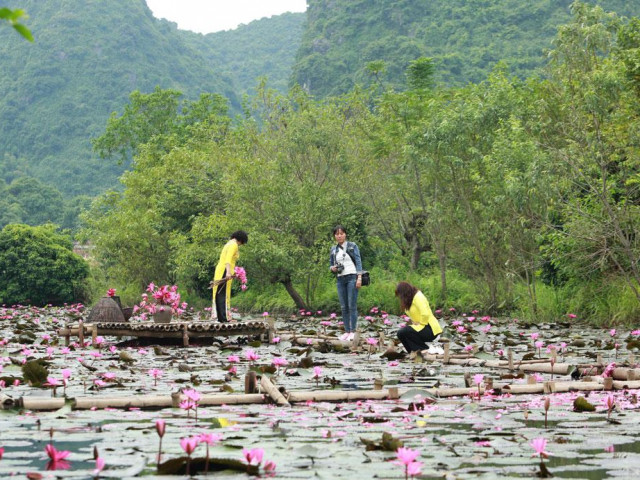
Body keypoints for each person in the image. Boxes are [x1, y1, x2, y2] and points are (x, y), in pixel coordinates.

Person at [329, 225, 363, 341]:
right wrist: (332, 268)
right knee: (344, 307)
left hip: (352, 277)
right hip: (340, 279)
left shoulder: (352, 246)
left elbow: (358, 262)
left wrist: (359, 278)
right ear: (335, 236)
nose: (339, 236)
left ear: (345, 234)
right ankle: (347, 331)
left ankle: (353, 331)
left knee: (351, 305)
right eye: (337, 234)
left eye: (341, 233)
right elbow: (331, 264)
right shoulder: (333, 249)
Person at [395, 281, 444, 356]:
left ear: (404, 293)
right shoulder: (409, 300)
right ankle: (412, 352)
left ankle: (423, 349)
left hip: (429, 328)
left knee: (404, 331)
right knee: (400, 334)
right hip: (421, 327)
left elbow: (425, 313)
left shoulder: (418, 296)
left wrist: (421, 323)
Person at [212, 230, 248, 322]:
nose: (241, 245)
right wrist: (228, 272)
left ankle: (222, 317)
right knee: (222, 294)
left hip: (221, 269)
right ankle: (223, 318)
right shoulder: (234, 245)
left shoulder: (229, 243)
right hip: (224, 269)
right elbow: (228, 259)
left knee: (219, 293)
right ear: (241, 239)